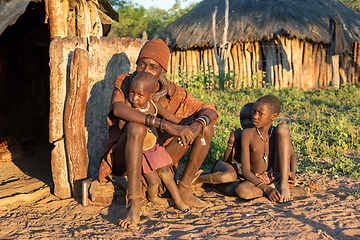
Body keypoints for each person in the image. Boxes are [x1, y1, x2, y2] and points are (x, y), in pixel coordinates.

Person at [98, 39, 218, 229]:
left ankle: (184, 189)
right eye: (141, 63)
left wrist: (195, 127)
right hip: (125, 159)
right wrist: (164, 125)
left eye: (153, 66)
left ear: (163, 71)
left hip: (156, 158)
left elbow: (209, 109)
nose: (145, 69)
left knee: (206, 127)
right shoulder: (125, 82)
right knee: (136, 127)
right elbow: (119, 109)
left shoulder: (173, 92)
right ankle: (134, 203)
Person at [125, 71, 189, 212]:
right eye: (131, 93)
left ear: (151, 96)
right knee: (153, 181)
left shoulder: (154, 106)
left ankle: (178, 200)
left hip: (154, 146)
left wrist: (184, 126)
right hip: (139, 152)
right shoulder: (128, 106)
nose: (134, 98)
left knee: (166, 173)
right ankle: (153, 197)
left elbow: (170, 117)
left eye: (140, 95)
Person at [239, 95, 294, 202]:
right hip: (258, 178)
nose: (255, 116)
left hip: (278, 173)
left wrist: (292, 174)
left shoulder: (277, 133)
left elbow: (292, 155)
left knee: (283, 127)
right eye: (254, 112)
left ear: (273, 116)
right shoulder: (247, 134)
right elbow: (245, 170)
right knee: (242, 191)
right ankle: (275, 189)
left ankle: (283, 185)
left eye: (260, 114)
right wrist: (267, 188)